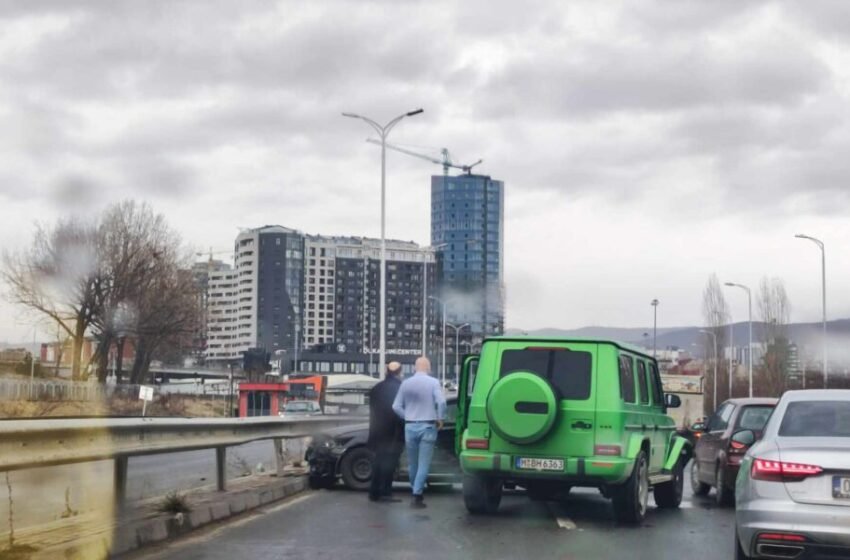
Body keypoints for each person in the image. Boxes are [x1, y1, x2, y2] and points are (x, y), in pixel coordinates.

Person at [392, 356, 446, 509]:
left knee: (412, 463)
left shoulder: (406, 384)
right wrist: (440, 417)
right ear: (428, 368)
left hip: (410, 427)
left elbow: (396, 406)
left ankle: (415, 490)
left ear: (415, 368)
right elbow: (441, 402)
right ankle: (417, 495)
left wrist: (407, 416)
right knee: (424, 463)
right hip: (428, 426)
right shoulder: (433, 382)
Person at [367, 361, 405, 502]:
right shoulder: (401, 388)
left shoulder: (376, 388)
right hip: (394, 432)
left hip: (377, 431)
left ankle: (374, 491)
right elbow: (400, 411)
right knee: (390, 463)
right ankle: (385, 492)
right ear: (400, 372)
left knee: (378, 461)